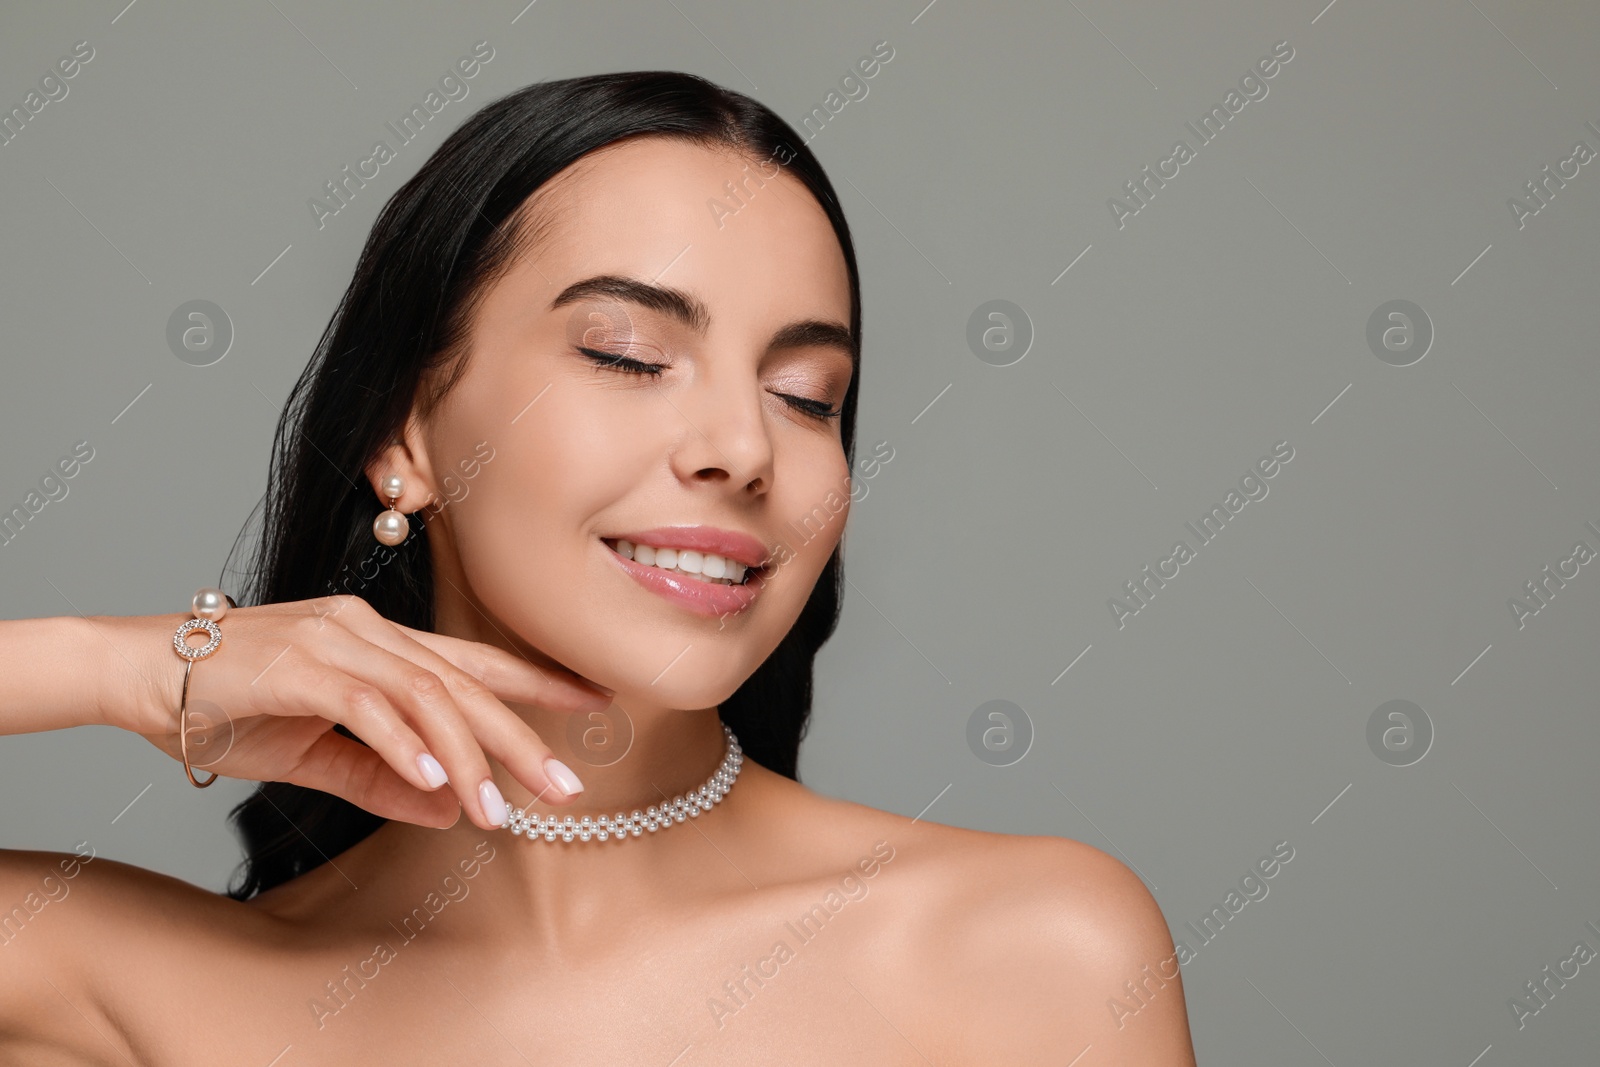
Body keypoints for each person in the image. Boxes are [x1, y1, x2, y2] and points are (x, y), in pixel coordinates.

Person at [0, 71, 1196, 1064]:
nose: (741, 447)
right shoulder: (132, 985)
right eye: (628, 355)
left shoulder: (1028, 951)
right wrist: (130, 666)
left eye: (805, 394)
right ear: (401, 436)